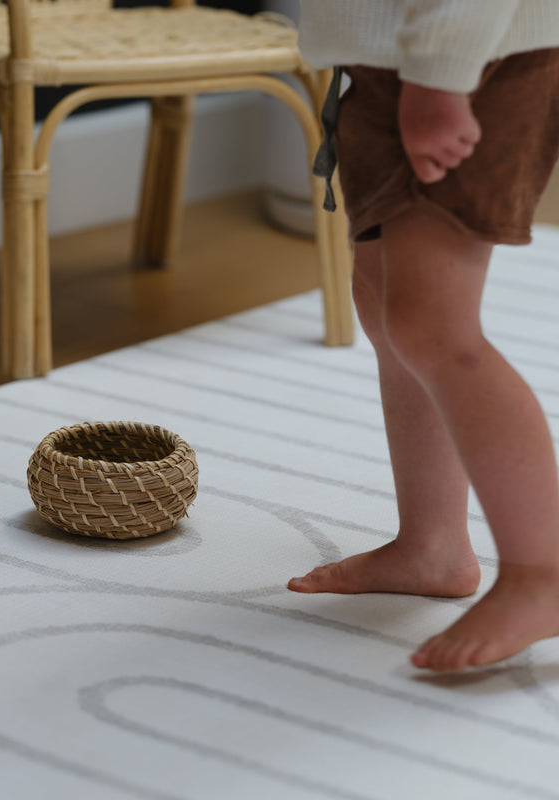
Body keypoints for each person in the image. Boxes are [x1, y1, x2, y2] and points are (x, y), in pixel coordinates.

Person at [287, 1, 559, 672]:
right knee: (383, 304)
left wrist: (442, 74)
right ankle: (432, 546)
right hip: (397, 58)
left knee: (434, 324)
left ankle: (543, 573)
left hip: (471, 59)